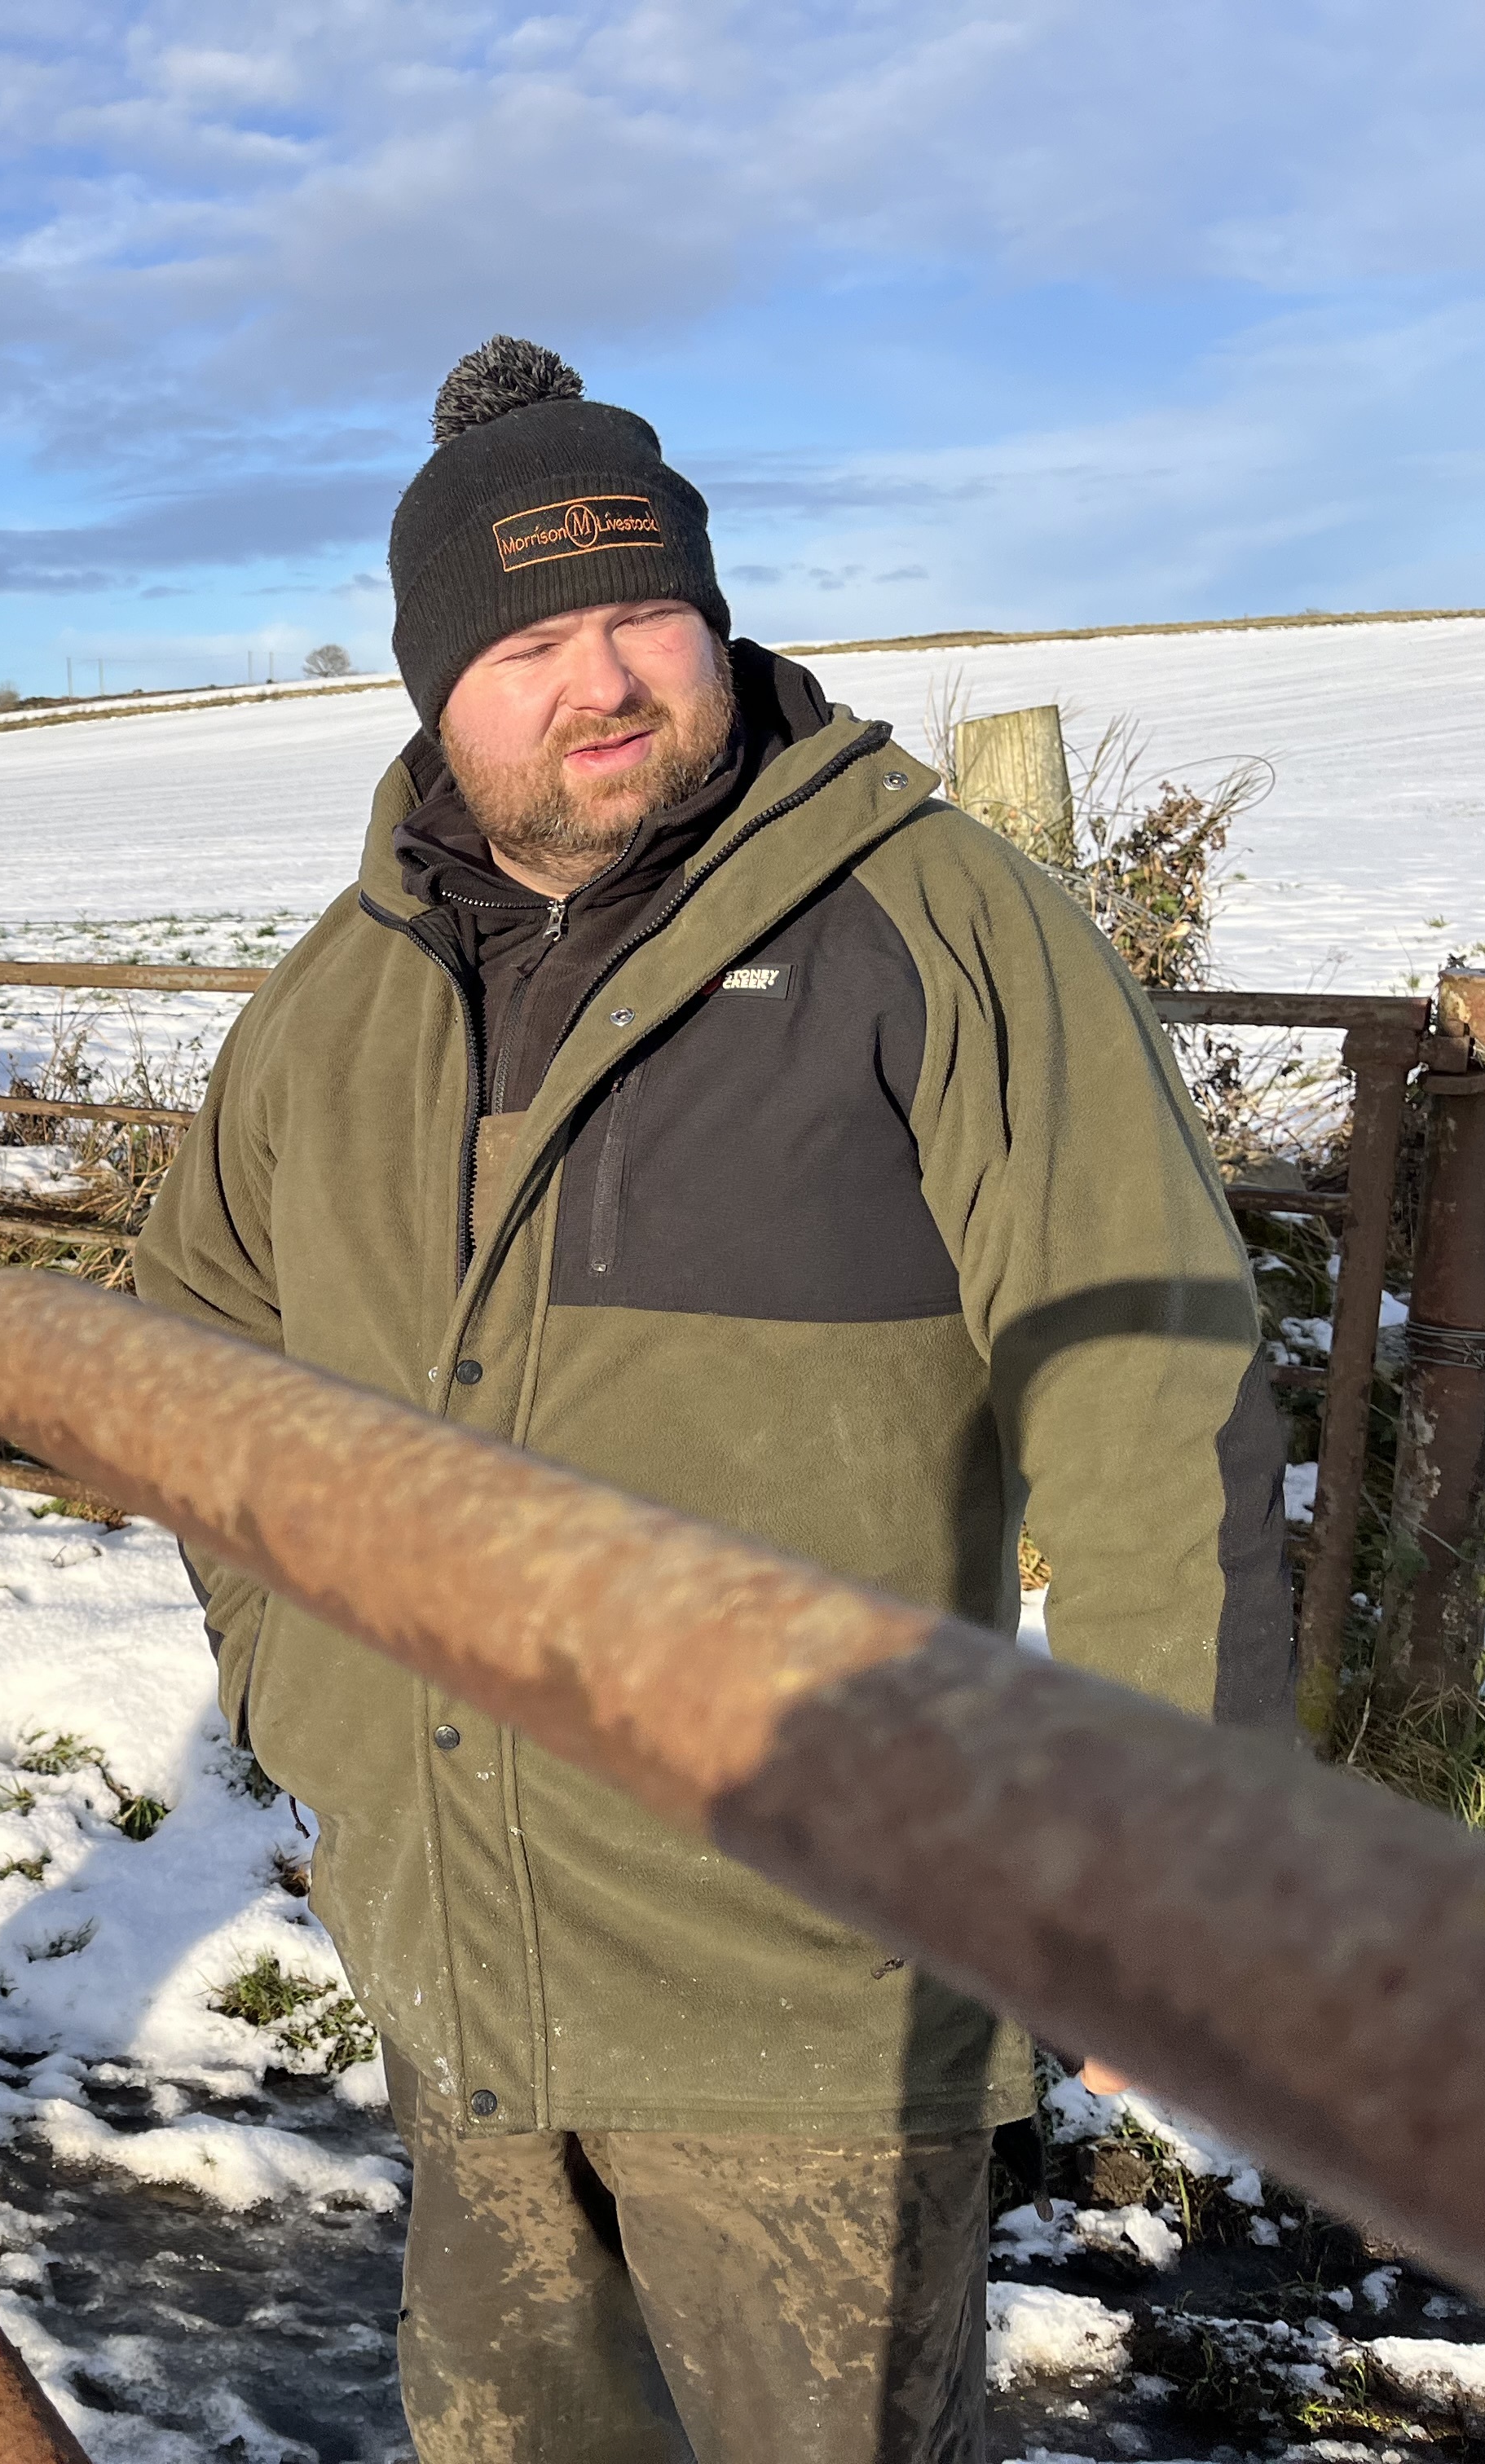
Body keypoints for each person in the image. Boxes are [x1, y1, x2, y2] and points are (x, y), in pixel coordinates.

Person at [133, 340, 1287, 2464]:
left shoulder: (931, 930)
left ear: (717, 614)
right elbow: (188, 1349)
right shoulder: (344, 993)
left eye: (645, 614)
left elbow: (1150, 1374)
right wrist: (302, 1683)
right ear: (429, 685)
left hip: (807, 2022)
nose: (607, 679)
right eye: (534, 639)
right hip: (467, 1983)